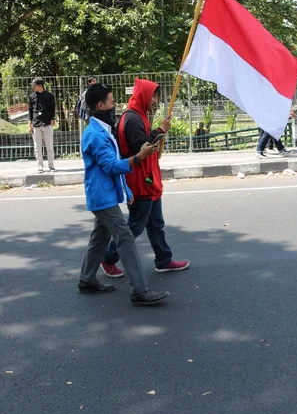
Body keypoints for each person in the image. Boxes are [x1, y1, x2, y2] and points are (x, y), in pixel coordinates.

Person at [78, 82, 169, 307]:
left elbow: (112, 166)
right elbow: (110, 166)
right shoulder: (96, 135)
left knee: (100, 237)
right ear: (100, 105)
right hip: (101, 197)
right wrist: (138, 157)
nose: (114, 106)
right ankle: (140, 290)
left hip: (106, 195)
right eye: (111, 102)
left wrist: (126, 190)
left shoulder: (101, 130)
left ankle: (87, 279)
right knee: (125, 237)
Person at [101, 78, 189, 277]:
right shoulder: (132, 119)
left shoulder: (139, 116)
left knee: (156, 224)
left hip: (149, 181)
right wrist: (160, 131)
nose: (157, 100)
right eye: (154, 96)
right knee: (135, 226)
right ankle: (108, 258)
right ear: (144, 96)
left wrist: (158, 132)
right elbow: (140, 148)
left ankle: (163, 259)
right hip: (140, 182)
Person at [28, 78, 56, 173]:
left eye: (34, 85)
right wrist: (29, 123)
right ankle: (40, 166)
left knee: (49, 146)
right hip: (36, 123)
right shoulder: (31, 96)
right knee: (37, 147)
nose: (33, 87)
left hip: (47, 122)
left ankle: (51, 165)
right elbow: (30, 110)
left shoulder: (49, 96)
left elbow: (53, 109)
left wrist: (52, 119)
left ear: (40, 86)